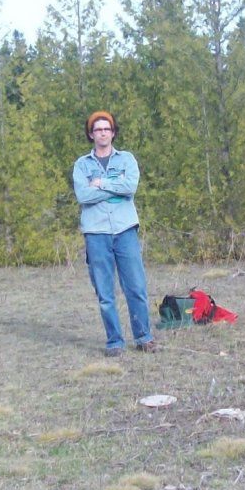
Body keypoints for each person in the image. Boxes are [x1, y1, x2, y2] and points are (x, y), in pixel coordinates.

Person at [73, 111, 156, 356]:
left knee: (136, 288)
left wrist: (100, 184)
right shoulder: (82, 165)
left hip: (125, 231)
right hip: (96, 234)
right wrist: (116, 189)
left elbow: (130, 187)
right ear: (91, 134)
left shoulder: (127, 159)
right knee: (105, 293)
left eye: (107, 129)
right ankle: (115, 341)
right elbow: (83, 196)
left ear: (113, 132)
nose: (103, 133)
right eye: (98, 129)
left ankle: (143, 337)